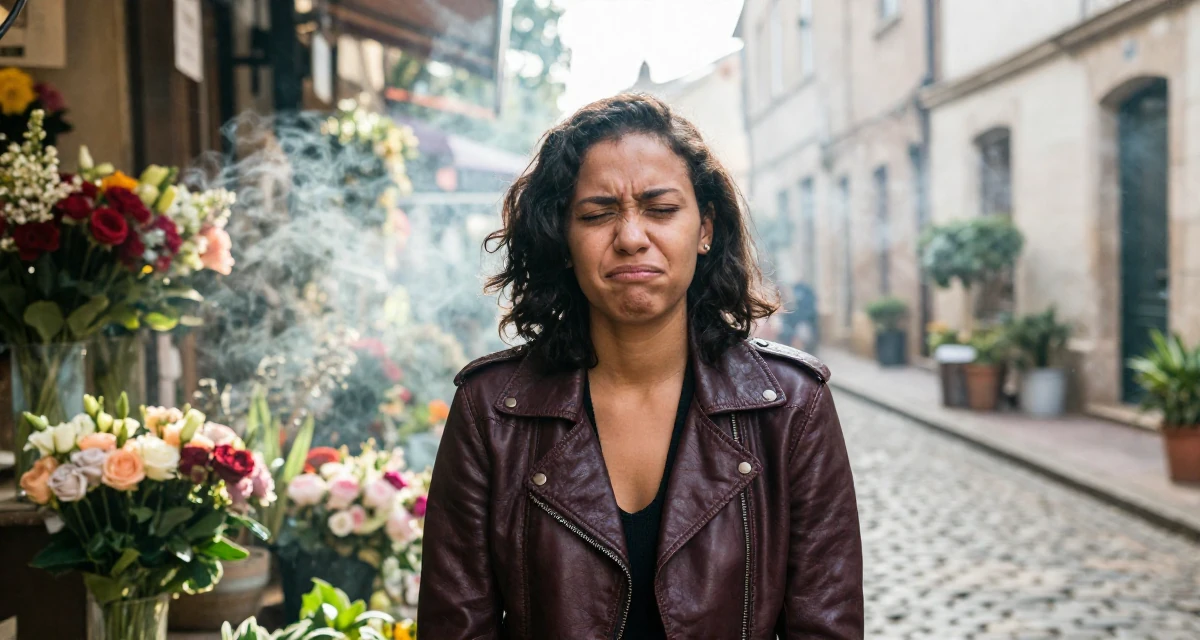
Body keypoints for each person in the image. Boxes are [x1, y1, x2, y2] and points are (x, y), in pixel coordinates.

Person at [419, 94, 863, 639]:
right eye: (597, 214)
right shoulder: (490, 411)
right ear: (563, 238)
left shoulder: (792, 407)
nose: (631, 237)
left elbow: (826, 627)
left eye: (661, 209)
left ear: (705, 228)